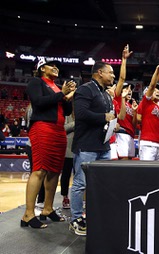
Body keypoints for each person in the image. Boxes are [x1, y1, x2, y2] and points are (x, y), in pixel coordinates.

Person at [21, 57, 76, 229]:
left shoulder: (57, 87)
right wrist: (61, 94)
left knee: (54, 172)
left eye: (57, 66)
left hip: (58, 130)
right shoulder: (36, 82)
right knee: (39, 170)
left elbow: (66, 111)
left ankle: (47, 209)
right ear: (42, 68)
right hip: (42, 128)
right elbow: (38, 103)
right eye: (51, 65)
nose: (55, 68)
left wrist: (68, 98)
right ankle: (28, 214)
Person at [70, 61, 116, 236]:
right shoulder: (85, 89)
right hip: (87, 146)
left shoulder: (105, 93)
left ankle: (94, 215)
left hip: (103, 146)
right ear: (99, 73)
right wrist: (104, 117)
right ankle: (75, 219)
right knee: (80, 184)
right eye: (110, 72)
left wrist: (112, 123)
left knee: (100, 184)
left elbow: (105, 117)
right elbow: (81, 114)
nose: (113, 76)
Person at [137, 63, 159, 161]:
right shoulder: (146, 102)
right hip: (148, 143)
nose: (157, 92)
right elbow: (152, 85)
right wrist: (157, 70)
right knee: (146, 172)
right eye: (155, 90)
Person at [113, 45, 138, 160]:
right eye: (126, 88)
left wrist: (135, 111)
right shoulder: (118, 98)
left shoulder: (130, 105)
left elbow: (133, 125)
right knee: (123, 163)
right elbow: (122, 78)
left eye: (130, 89)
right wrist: (124, 60)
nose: (129, 91)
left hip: (131, 136)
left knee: (129, 164)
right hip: (121, 134)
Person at [61, 114, 74, 209]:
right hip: (68, 149)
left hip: (80, 148)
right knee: (66, 174)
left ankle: (82, 199)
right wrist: (76, 123)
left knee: (80, 176)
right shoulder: (67, 114)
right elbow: (63, 128)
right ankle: (65, 196)